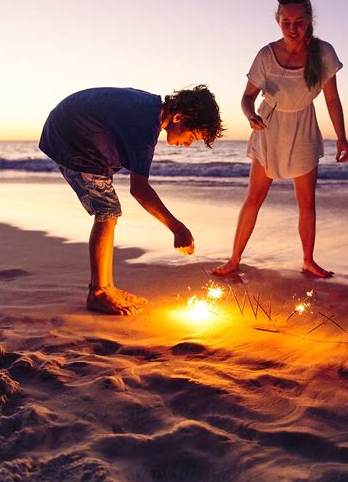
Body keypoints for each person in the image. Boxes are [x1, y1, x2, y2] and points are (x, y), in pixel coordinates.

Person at [39, 84, 224, 315]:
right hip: (68, 134)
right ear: (179, 117)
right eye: (192, 137)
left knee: (109, 210)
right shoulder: (145, 127)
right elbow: (139, 189)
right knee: (107, 211)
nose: (188, 144)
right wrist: (177, 228)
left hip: (71, 127)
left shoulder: (151, 109)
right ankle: (98, 292)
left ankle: (106, 287)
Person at [213, 0, 348, 280]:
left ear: (309, 20)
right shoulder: (266, 55)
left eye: (299, 21)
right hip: (270, 127)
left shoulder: (323, 52)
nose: (292, 28)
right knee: (254, 197)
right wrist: (250, 116)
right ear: (278, 21)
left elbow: (332, 100)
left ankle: (308, 261)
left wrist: (341, 137)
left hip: (303, 127)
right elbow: (247, 98)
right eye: (286, 21)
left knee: (307, 202)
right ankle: (234, 259)